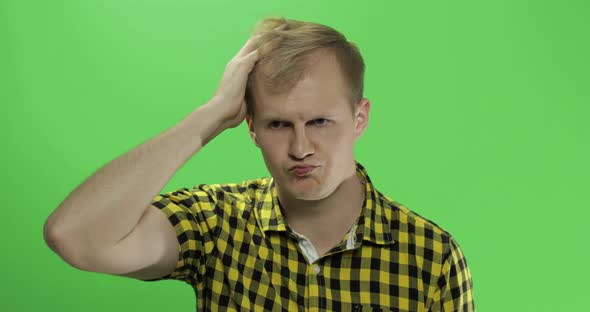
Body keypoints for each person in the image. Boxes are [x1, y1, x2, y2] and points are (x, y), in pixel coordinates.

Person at [43, 17, 475, 311]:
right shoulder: (216, 223)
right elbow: (75, 236)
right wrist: (210, 116)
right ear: (250, 128)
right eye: (278, 124)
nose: (301, 147)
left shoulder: (431, 256)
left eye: (320, 121)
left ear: (359, 117)